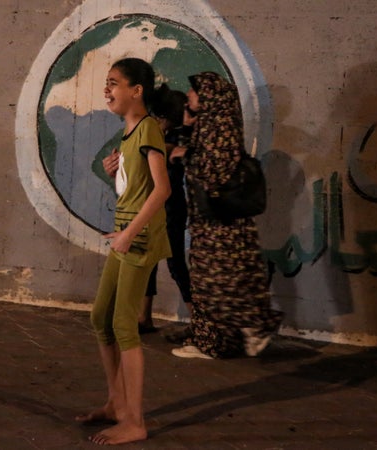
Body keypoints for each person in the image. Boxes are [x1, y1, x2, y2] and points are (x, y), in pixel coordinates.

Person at [77, 57, 171, 445]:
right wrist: (116, 174)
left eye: (114, 82)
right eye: (107, 82)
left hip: (138, 237)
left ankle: (135, 420)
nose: (107, 89)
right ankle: (116, 403)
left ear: (137, 91)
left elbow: (162, 189)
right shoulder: (130, 133)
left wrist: (130, 233)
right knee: (101, 317)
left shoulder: (148, 129)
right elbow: (138, 187)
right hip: (126, 232)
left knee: (123, 325)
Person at [169, 71, 284, 359]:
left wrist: (184, 154)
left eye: (195, 92)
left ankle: (257, 325)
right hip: (208, 223)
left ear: (210, 97)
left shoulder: (219, 127)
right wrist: (187, 128)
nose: (189, 96)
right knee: (206, 284)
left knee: (222, 284)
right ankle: (213, 342)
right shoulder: (208, 125)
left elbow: (213, 171)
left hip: (221, 226)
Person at [103, 84, 193, 340]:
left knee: (176, 264)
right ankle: (144, 316)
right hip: (156, 207)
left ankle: (200, 322)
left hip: (169, 209)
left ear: (163, 117)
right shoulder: (155, 136)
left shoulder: (173, 139)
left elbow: (170, 157)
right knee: (150, 263)